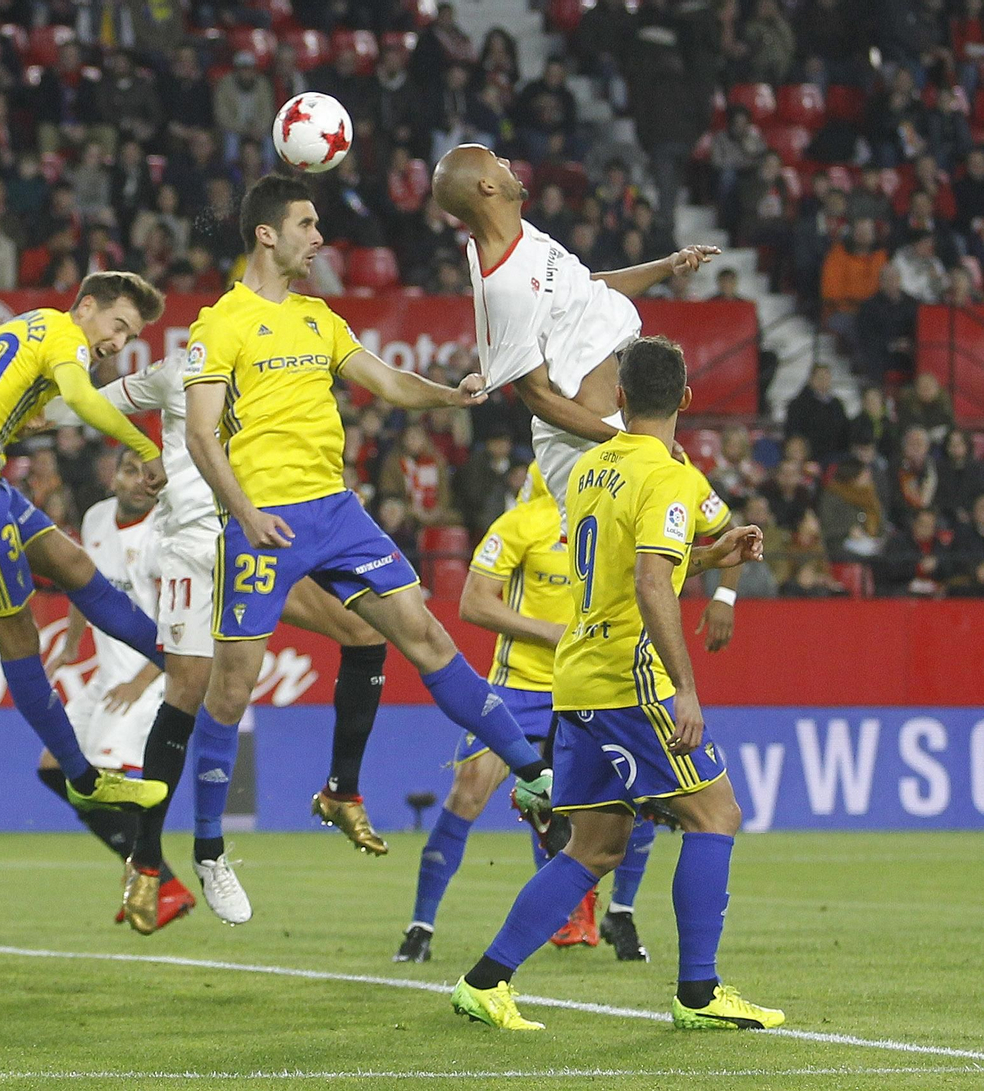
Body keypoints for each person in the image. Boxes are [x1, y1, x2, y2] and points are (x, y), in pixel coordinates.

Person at [179, 174, 553, 925]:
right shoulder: (219, 324)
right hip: (263, 522)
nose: (319, 238)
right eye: (308, 224)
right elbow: (198, 431)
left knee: (426, 631)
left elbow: (384, 381)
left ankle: (536, 776)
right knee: (232, 685)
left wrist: (450, 395)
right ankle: (211, 849)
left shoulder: (320, 319)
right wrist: (244, 512)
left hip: (336, 512)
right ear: (266, 233)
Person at [449, 335, 781, 1033]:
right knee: (715, 815)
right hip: (631, 679)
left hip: (577, 676)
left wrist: (716, 551)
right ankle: (699, 992)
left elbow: (641, 561)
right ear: (687, 400)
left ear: (621, 398)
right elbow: (651, 578)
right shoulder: (674, 476)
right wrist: (684, 689)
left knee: (595, 846)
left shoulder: (592, 468)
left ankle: (485, 980)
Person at [44, 345, 400, 931]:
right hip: (193, 546)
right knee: (189, 688)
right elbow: (93, 402)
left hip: (260, 538)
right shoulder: (175, 372)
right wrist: (32, 414)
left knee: (364, 630)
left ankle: (340, 789)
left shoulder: (279, 372)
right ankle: (150, 860)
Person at [0, 272, 174, 813]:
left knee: (73, 563)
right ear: (87, 306)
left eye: (129, 336)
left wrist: (4, 418)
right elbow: (79, 393)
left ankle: (175, 661)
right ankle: (83, 775)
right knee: (19, 634)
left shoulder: (30, 325)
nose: (118, 343)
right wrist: (146, 447)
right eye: (117, 326)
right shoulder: (66, 336)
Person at [432, 144, 717, 537]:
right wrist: (625, 441)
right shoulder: (504, 286)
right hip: (588, 443)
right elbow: (538, 398)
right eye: (496, 161)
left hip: (619, 423)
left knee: (653, 563)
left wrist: (667, 265)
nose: (508, 163)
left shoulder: (523, 237)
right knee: (614, 581)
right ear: (487, 187)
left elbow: (586, 288)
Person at [36, 448, 195, 930]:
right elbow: (84, 584)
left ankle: (157, 880)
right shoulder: (96, 518)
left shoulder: (166, 540)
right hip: (107, 675)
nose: (139, 482)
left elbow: (178, 624)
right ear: (114, 476)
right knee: (52, 769)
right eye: (130, 471)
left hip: (146, 679)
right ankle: (151, 876)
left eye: (150, 477)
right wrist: (69, 646)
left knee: (98, 779)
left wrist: (142, 679)